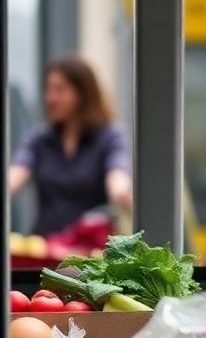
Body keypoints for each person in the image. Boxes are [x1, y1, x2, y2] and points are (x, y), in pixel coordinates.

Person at [9, 57, 132, 236]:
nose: (50, 98)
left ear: (83, 93)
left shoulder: (110, 137)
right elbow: (14, 176)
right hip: (45, 250)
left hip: (91, 255)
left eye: (59, 89)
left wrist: (124, 195)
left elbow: (118, 178)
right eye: (48, 89)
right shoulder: (40, 139)